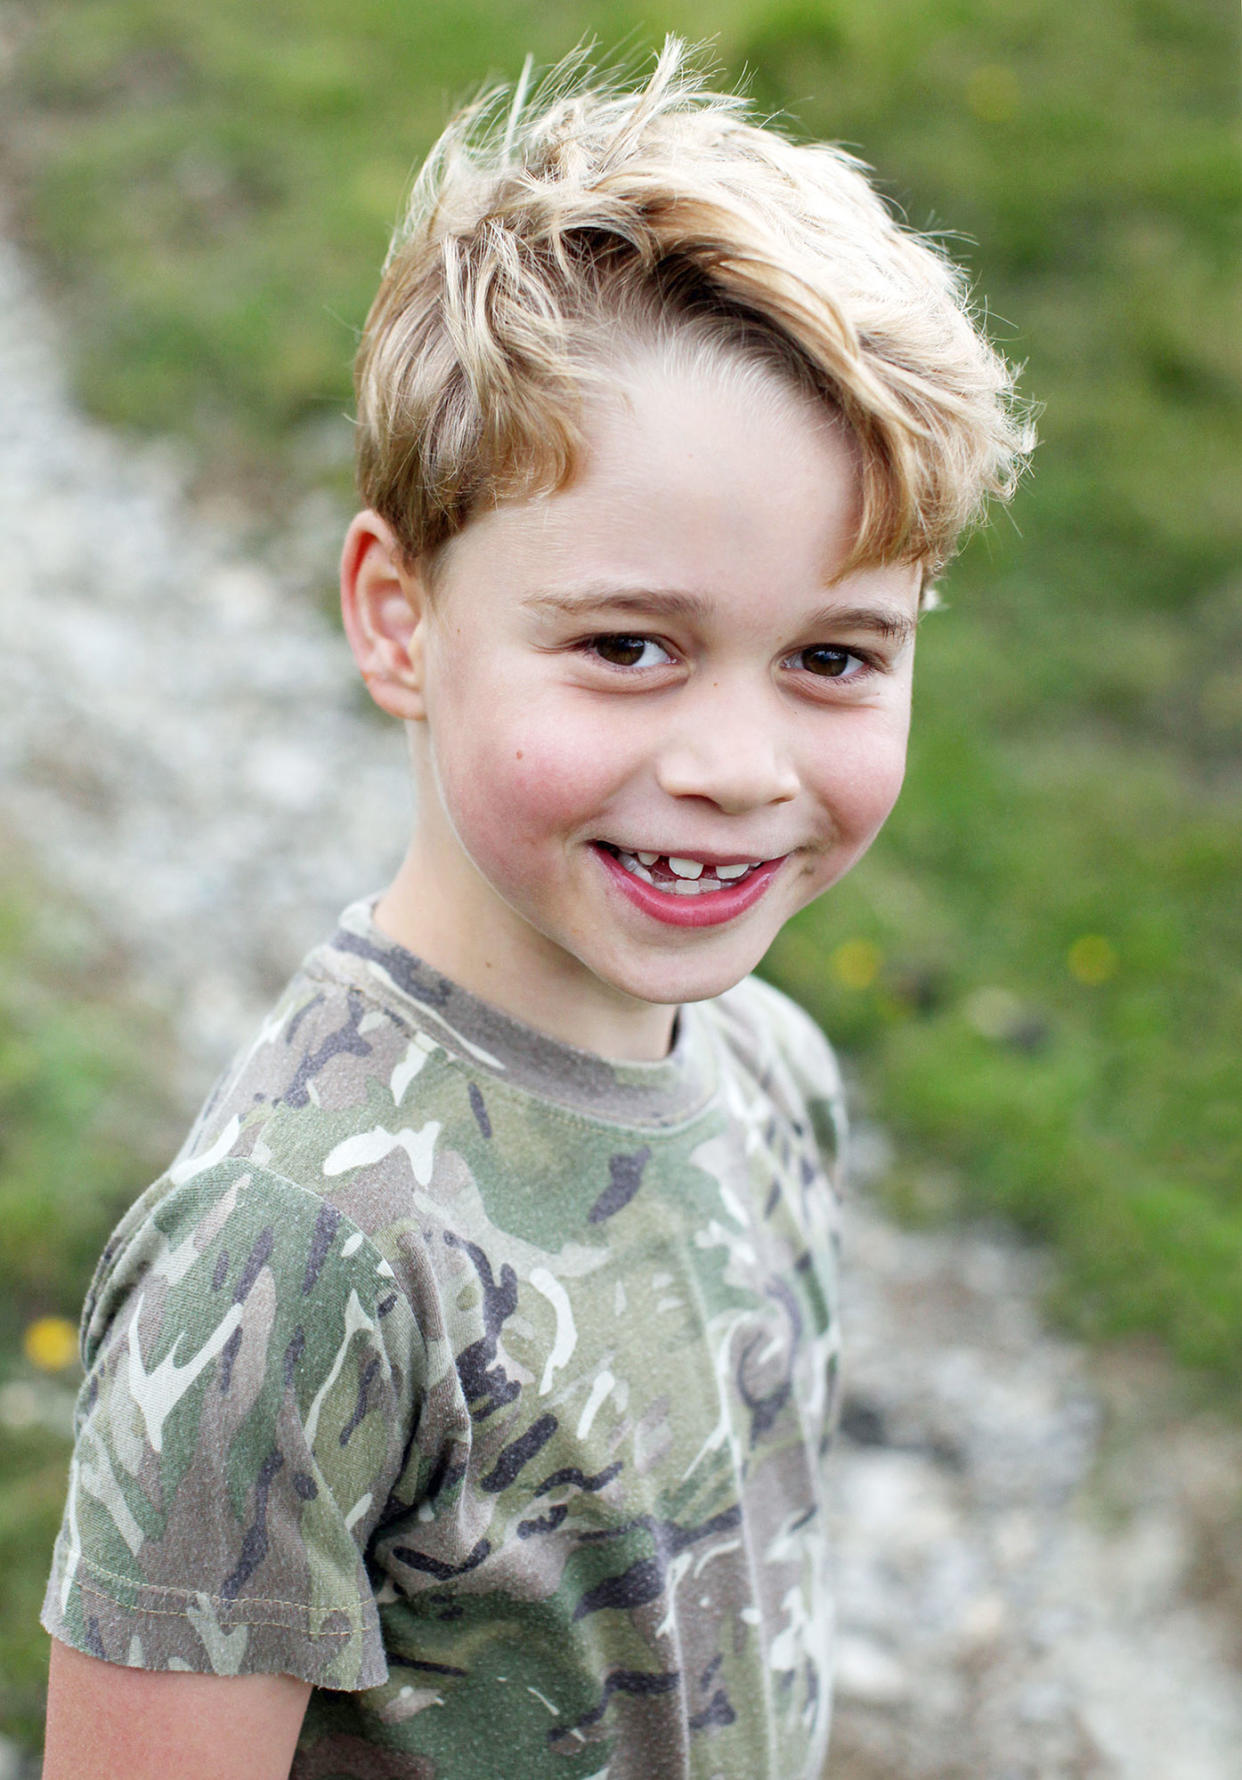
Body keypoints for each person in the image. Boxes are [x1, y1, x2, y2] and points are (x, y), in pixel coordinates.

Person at [39, 39, 1031, 1780]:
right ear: (398, 618)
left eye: (831, 657)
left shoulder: (774, 1071)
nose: (733, 763)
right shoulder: (296, 1255)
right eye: (626, 646)